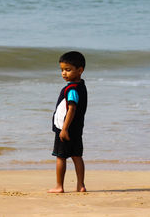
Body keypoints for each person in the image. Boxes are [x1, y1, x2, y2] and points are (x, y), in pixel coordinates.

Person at [48, 51, 88, 193]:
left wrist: (64, 129)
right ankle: (80, 185)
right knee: (77, 156)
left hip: (66, 129)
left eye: (68, 70)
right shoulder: (81, 86)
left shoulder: (71, 89)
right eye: (62, 70)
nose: (64, 73)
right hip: (76, 129)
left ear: (80, 70)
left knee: (61, 157)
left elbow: (71, 109)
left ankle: (59, 186)